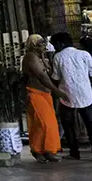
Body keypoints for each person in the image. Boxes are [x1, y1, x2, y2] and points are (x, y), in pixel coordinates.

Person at [51, 32, 92, 161]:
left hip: (66, 95)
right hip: (85, 94)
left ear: (60, 44)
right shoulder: (84, 54)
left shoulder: (58, 57)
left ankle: (74, 152)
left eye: (54, 45)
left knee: (68, 125)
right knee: (91, 124)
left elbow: (56, 77)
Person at [22, 34, 66, 163]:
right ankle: (39, 150)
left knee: (49, 123)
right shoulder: (30, 57)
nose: (44, 46)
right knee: (44, 123)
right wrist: (57, 91)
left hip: (45, 94)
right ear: (33, 45)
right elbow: (42, 76)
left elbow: (49, 73)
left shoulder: (40, 57)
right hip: (35, 93)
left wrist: (43, 57)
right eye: (41, 43)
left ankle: (46, 150)